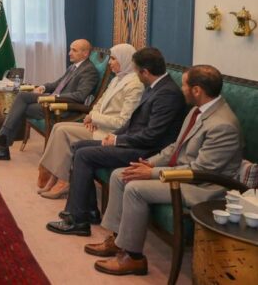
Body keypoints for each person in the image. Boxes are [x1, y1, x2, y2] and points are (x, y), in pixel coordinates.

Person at [84, 65, 242, 276]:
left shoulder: (223, 125)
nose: (181, 89)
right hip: (182, 173)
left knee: (135, 188)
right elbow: (176, 146)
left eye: (184, 85)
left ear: (197, 90)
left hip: (203, 187)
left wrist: (151, 173)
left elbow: (201, 170)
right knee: (120, 174)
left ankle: (133, 258)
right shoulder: (197, 110)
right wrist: (150, 163)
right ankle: (118, 239)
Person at [46, 47, 187, 236]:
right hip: (135, 142)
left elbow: (152, 136)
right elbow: (132, 123)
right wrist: (114, 136)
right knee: (77, 147)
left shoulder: (167, 94)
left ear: (145, 72)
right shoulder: (156, 87)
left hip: (146, 151)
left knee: (84, 155)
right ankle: (88, 211)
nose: (135, 74)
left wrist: (118, 139)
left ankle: (78, 220)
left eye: (136, 70)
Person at [37, 43, 144, 199]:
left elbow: (124, 122)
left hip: (110, 133)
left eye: (113, 59)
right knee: (58, 127)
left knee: (62, 131)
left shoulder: (135, 85)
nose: (110, 62)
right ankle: (55, 176)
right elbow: (99, 103)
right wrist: (91, 117)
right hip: (97, 126)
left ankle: (63, 180)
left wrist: (94, 118)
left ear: (125, 59)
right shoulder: (117, 79)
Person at [0, 39, 100, 160]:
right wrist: (43, 87)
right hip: (52, 100)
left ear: (85, 53)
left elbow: (80, 96)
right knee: (22, 96)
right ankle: (2, 141)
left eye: (74, 50)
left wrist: (54, 97)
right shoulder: (73, 67)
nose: (69, 53)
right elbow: (58, 84)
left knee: (19, 108)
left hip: (62, 107)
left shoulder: (89, 71)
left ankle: (2, 144)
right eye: (70, 49)